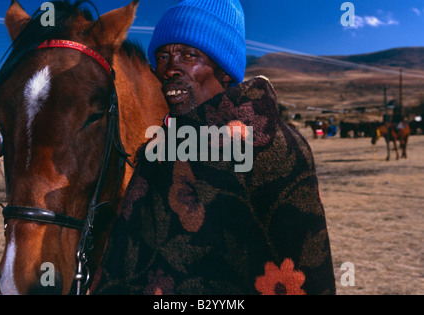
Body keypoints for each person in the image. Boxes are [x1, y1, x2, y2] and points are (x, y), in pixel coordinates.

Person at [93, 0, 335, 295]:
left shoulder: (275, 148)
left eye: (188, 54)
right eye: (163, 56)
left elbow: (309, 278)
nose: (170, 68)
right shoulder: (156, 151)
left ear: (224, 70)